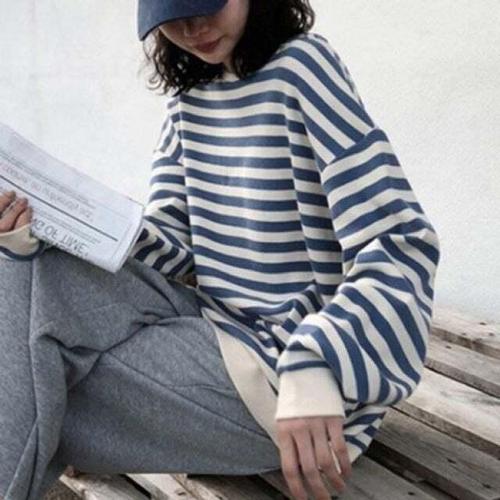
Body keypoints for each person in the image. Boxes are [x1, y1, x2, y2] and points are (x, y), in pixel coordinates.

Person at [0, 0, 441, 499]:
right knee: (24, 270)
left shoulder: (303, 69)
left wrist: (319, 359)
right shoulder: (190, 97)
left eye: (206, 3)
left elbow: (400, 243)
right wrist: (57, 228)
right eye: (171, 16)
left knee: (31, 382)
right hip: (212, 332)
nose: (192, 28)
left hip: (289, 377)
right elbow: (173, 245)